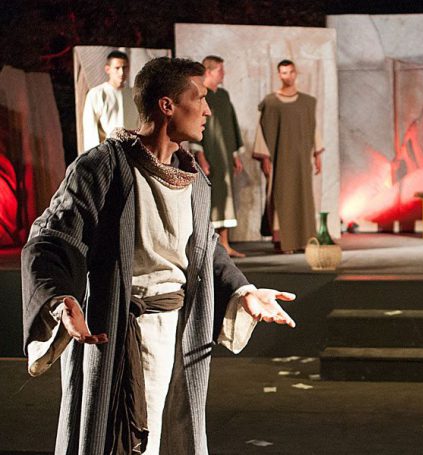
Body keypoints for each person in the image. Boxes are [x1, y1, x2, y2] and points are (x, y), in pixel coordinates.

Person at [22, 57, 297, 454]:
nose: (207, 110)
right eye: (198, 98)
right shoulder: (102, 168)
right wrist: (59, 299)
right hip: (113, 329)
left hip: (173, 333)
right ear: (167, 105)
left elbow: (204, 250)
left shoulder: (193, 180)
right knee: (112, 438)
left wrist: (243, 292)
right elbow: (51, 239)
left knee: (167, 435)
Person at [253, 59, 323, 253]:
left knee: (302, 197)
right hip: (279, 159)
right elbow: (261, 131)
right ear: (279, 75)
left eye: (291, 72)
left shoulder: (307, 102)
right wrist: (265, 158)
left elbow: (313, 128)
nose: (288, 76)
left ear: (295, 73)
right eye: (284, 72)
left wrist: (317, 154)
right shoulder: (271, 102)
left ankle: (303, 240)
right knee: (281, 196)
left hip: (301, 160)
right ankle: (283, 240)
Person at [190, 55, 246, 258]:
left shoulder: (223, 95)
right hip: (210, 155)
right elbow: (194, 124)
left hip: (225, 155)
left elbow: (232, 124)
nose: (224, 73)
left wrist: (235, 155)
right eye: (220, 70)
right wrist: (200, 156)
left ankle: (225, 244)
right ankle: (211, 248)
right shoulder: (200, 95)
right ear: (209, 71)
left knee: (226, 197)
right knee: (213, 198)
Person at [82, 50, 138, 151]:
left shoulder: (135, 95)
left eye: (124, 68)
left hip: (132, 151)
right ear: (108, 69)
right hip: (107, 151)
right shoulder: (97, 94)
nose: (121, 72)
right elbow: (91, 129)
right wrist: (95, 155)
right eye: (117, 68)